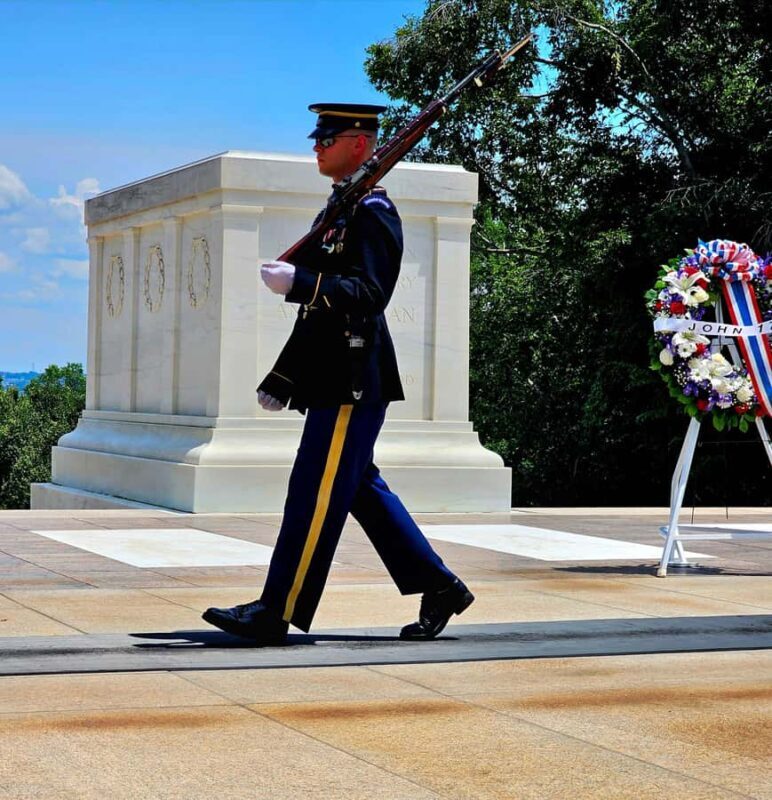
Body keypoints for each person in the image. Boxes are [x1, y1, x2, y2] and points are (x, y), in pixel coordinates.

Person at [203, 103, 474, 645]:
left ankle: (274, 612)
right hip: (337, 375)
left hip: (354, 377)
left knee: (313, 491)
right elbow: (322, 311)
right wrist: (284, 376)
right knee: (356, 488)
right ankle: (438, 585)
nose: (317, 146)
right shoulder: (343, 208)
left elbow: (371, 296)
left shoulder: (373, 211)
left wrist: (302, 282)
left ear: (359, 142)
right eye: (317, 137)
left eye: (327, 137)